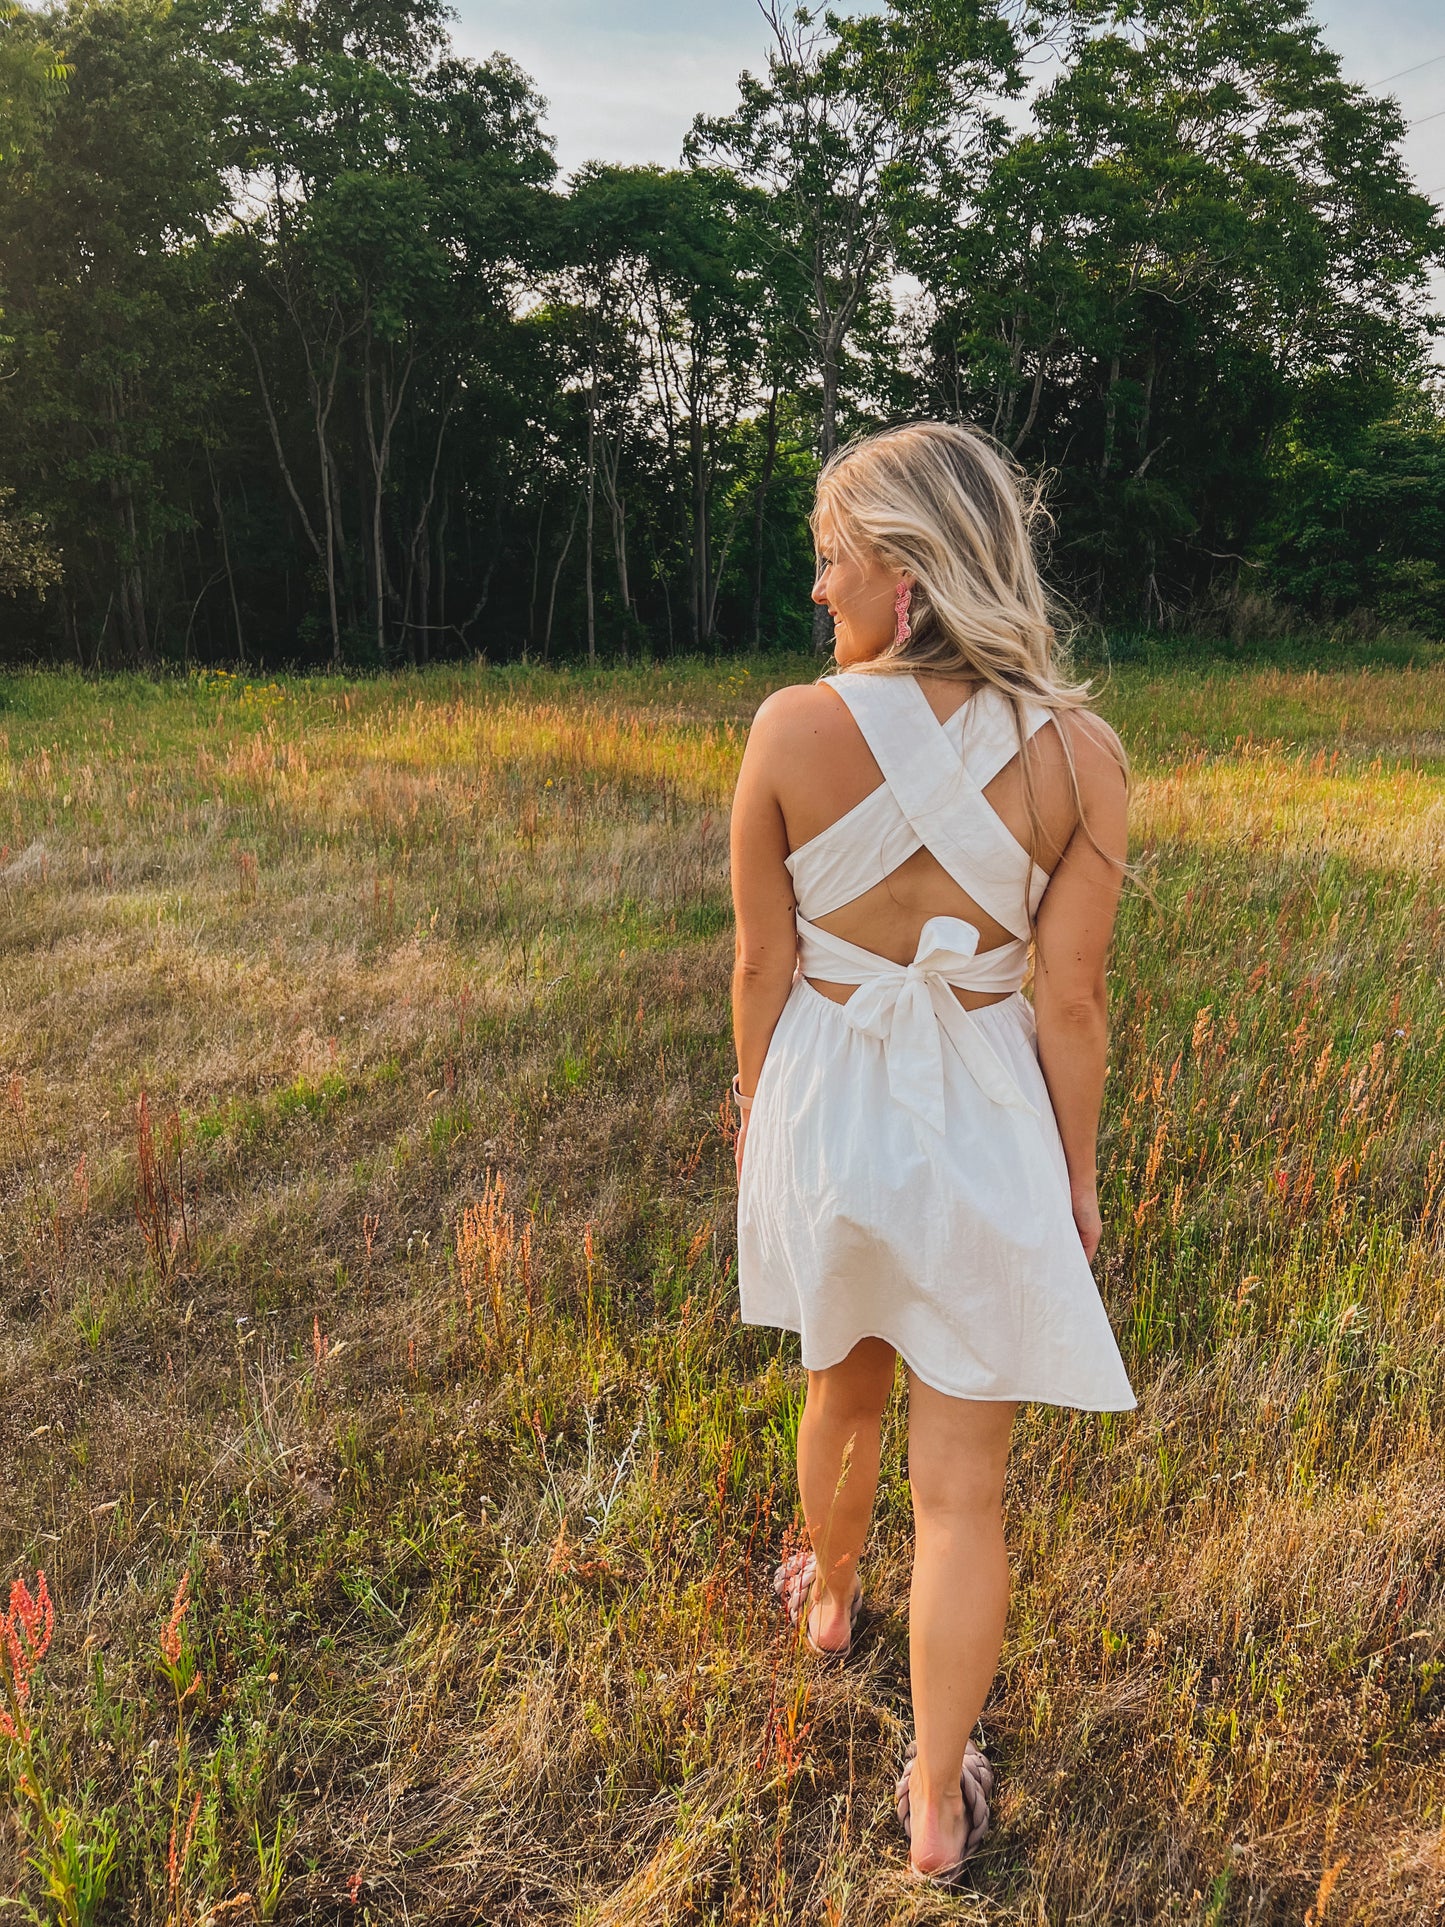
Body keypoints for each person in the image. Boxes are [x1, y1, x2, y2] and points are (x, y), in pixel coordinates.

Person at [728, 420, 1138, 1888]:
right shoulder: (1080, 754)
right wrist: (1074, 1179)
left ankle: (828, 1597)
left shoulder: (786, 727)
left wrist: (756, 1115)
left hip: (832, 1103)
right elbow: (1069, 1003)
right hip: (981, 1116)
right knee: (964, 1493)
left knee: (837, 1381)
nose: (818, 588)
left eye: (832, 559)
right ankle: (932, 1795)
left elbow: (761, 968)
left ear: (901, 568)